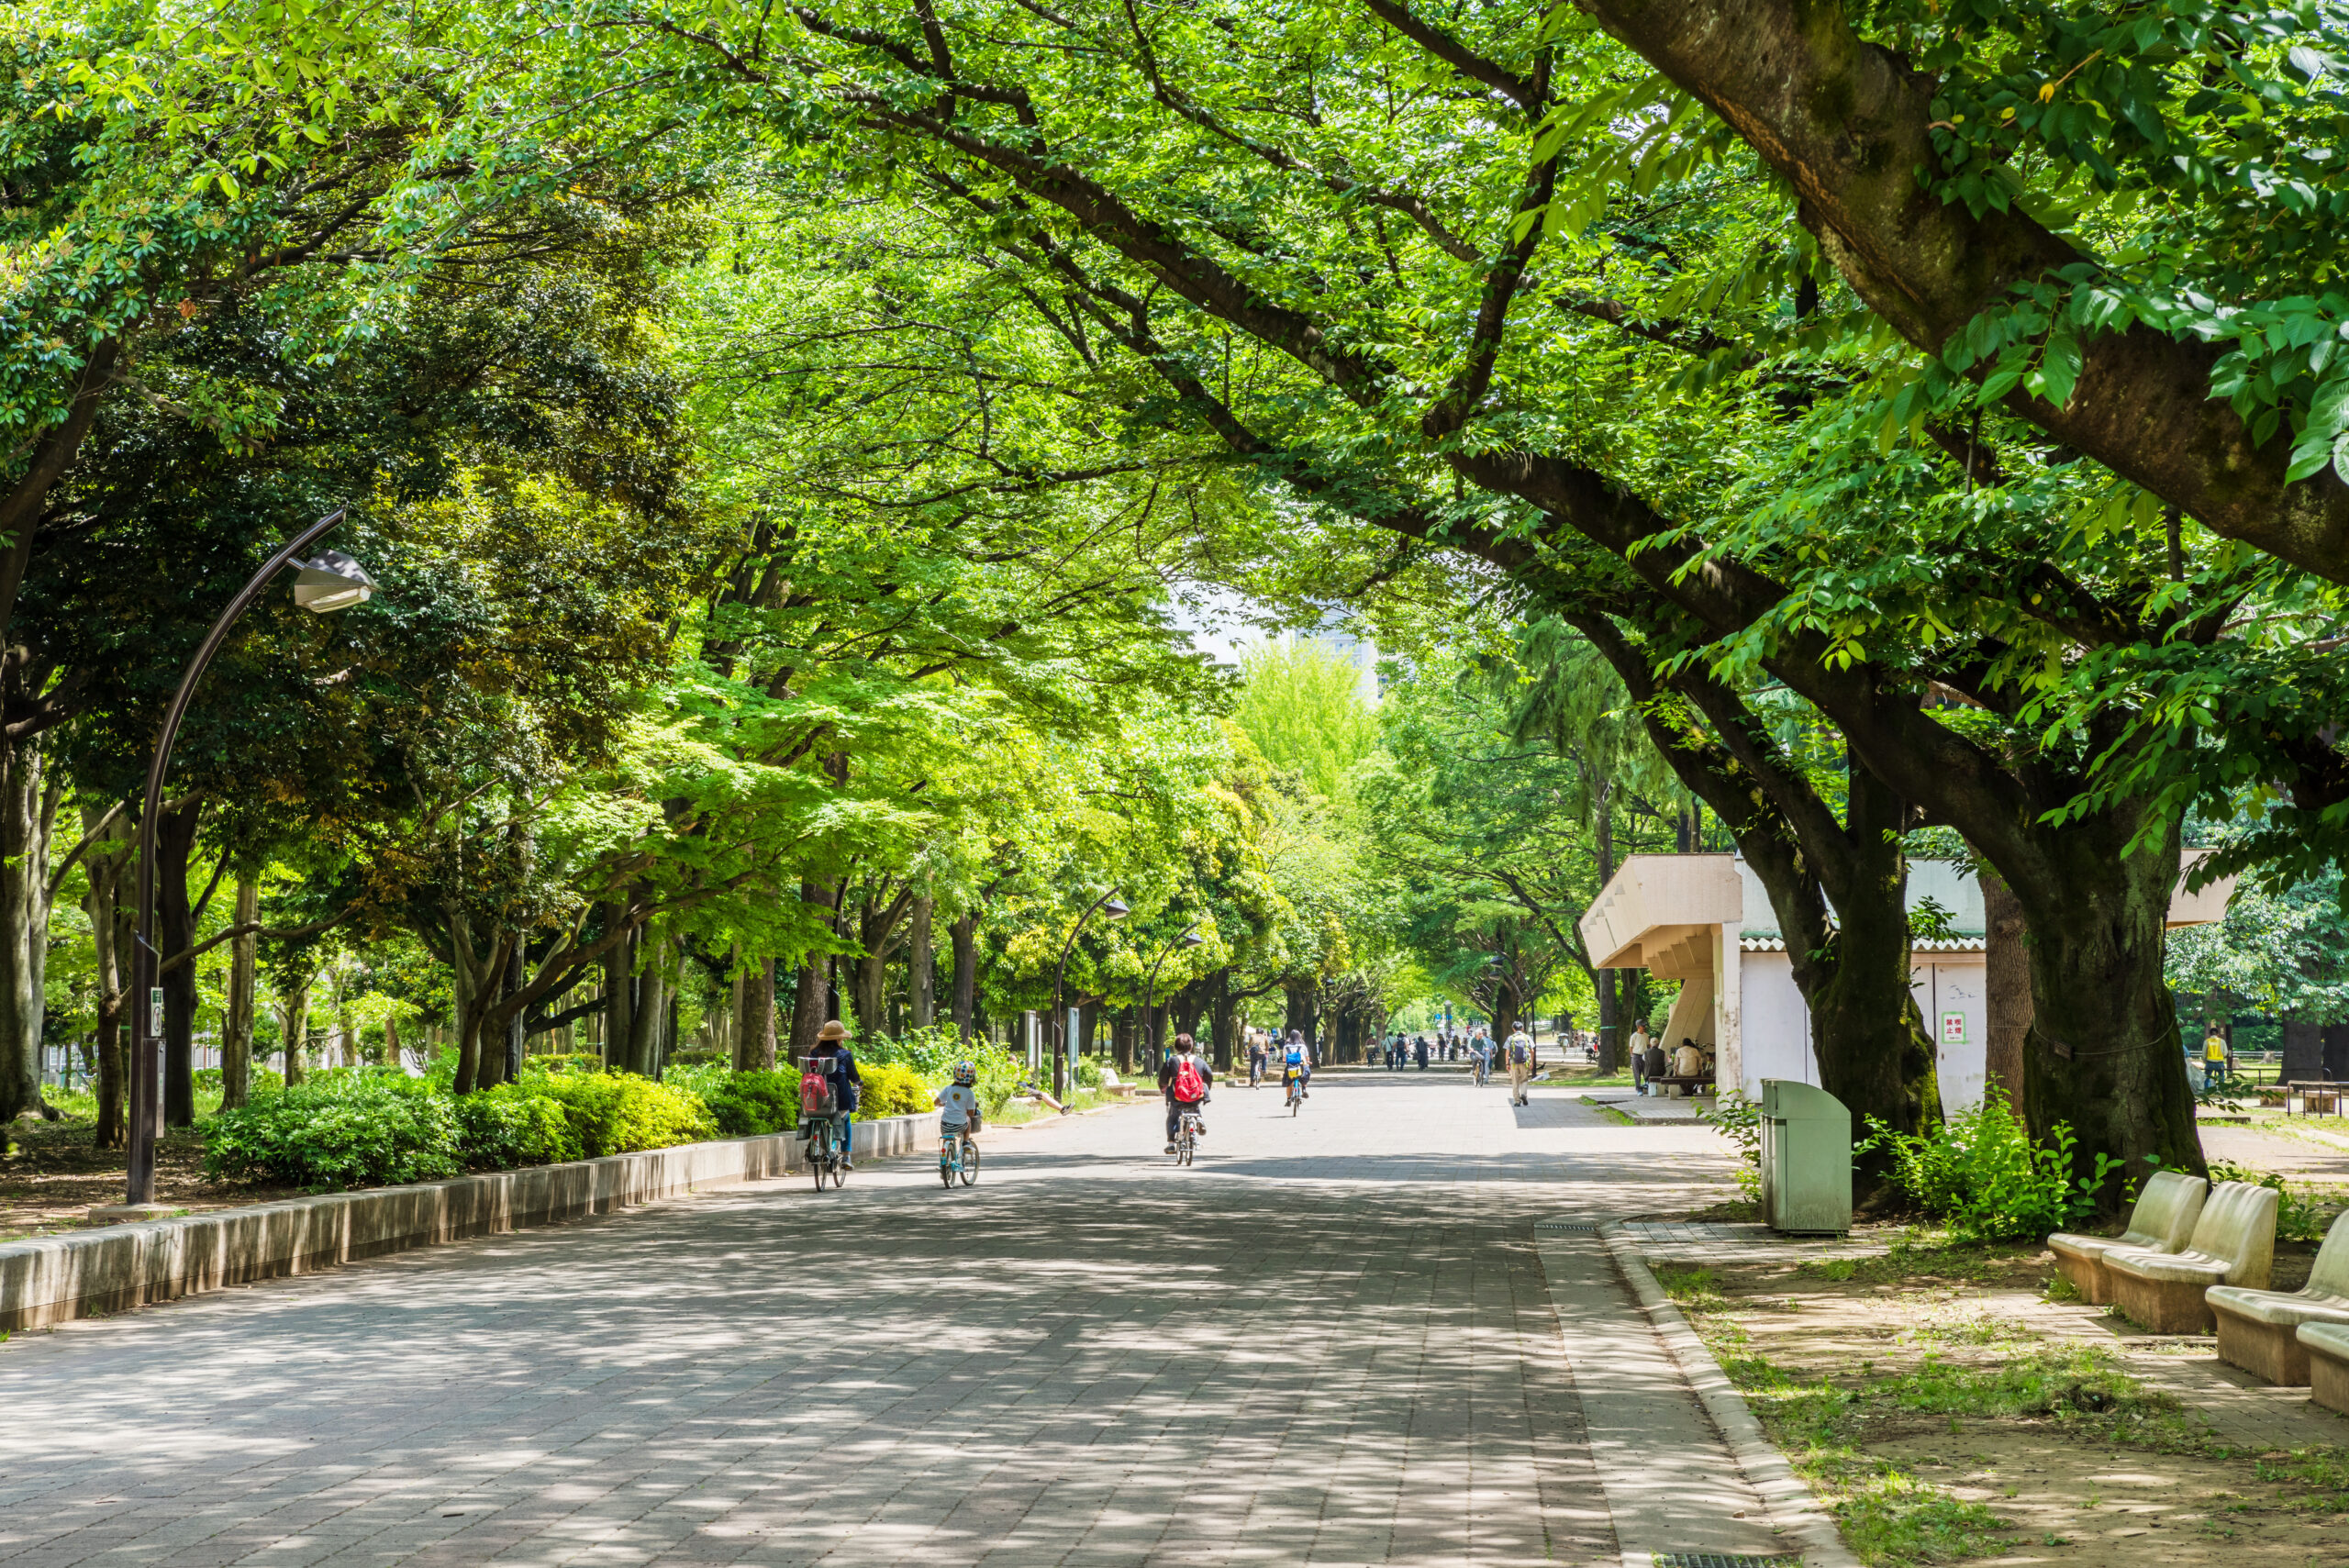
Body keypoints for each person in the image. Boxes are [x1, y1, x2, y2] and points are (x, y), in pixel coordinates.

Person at [808, 1019, 863, 1168]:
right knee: (845, 1119)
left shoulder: (813, 1053)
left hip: (815, 1100)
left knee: (821, 1116)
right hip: (839, 1100)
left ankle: (818, 1146)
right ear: (839, 1039)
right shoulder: (845, 1055)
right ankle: (846, 1157)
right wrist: (860, 1084)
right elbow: (854, 1077)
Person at [1160, 1032, 1212, 1151]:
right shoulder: (1199, 1061)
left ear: (1176, 1047)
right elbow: (1209, 1076)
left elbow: (1162, 1078)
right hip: (1196, 1095)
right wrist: (1206, 1088)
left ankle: (1171, 1144)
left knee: (1173, 1116)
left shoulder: (1172, 1061)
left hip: (1177, 1096)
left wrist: (1163, 1087)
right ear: (1191, 1046)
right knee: (1193, 1106)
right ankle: (1198, 1118)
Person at [935, 1059, 983, 1163]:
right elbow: (970, 1113)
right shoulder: (969, 1093)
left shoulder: (948, 1089)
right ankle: (965, 1142)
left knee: (946, 1138)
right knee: (968, 1120)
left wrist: (943, 1104)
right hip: (960, 1125)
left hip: (945, 1125)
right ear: (971, 1079)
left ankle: (945, 1161)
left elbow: (936, 1102)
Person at [1505, 1025, 1537, 1105]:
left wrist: (1507, 1063)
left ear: (1513, 1029)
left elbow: (1507, 1052)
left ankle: (1517, 1101)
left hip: (1513, 1062)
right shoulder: (1527, 1037)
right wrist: (1531, 1062)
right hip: (1524, 1062)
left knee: (1515, 1081)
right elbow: (1532, 1051)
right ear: (1522, 1028)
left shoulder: (1510, 1038)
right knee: (1524, 1079)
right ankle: (1523, 1094)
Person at [1629, 1020, 1652, 1091]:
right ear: (1638, 1027)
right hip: (1636, 1056)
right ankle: (1639, 1089)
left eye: (1645, 1026)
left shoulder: (1646, 1035)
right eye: (1643, 1026)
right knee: (1637, 1074)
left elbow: (1648, 1045)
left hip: (1644, 1056)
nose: (1644, 1027)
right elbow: (1631, 1047)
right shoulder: (1634, 1036)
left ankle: (1647, 1087)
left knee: (1646, 1073)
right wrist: (1632, 1055)